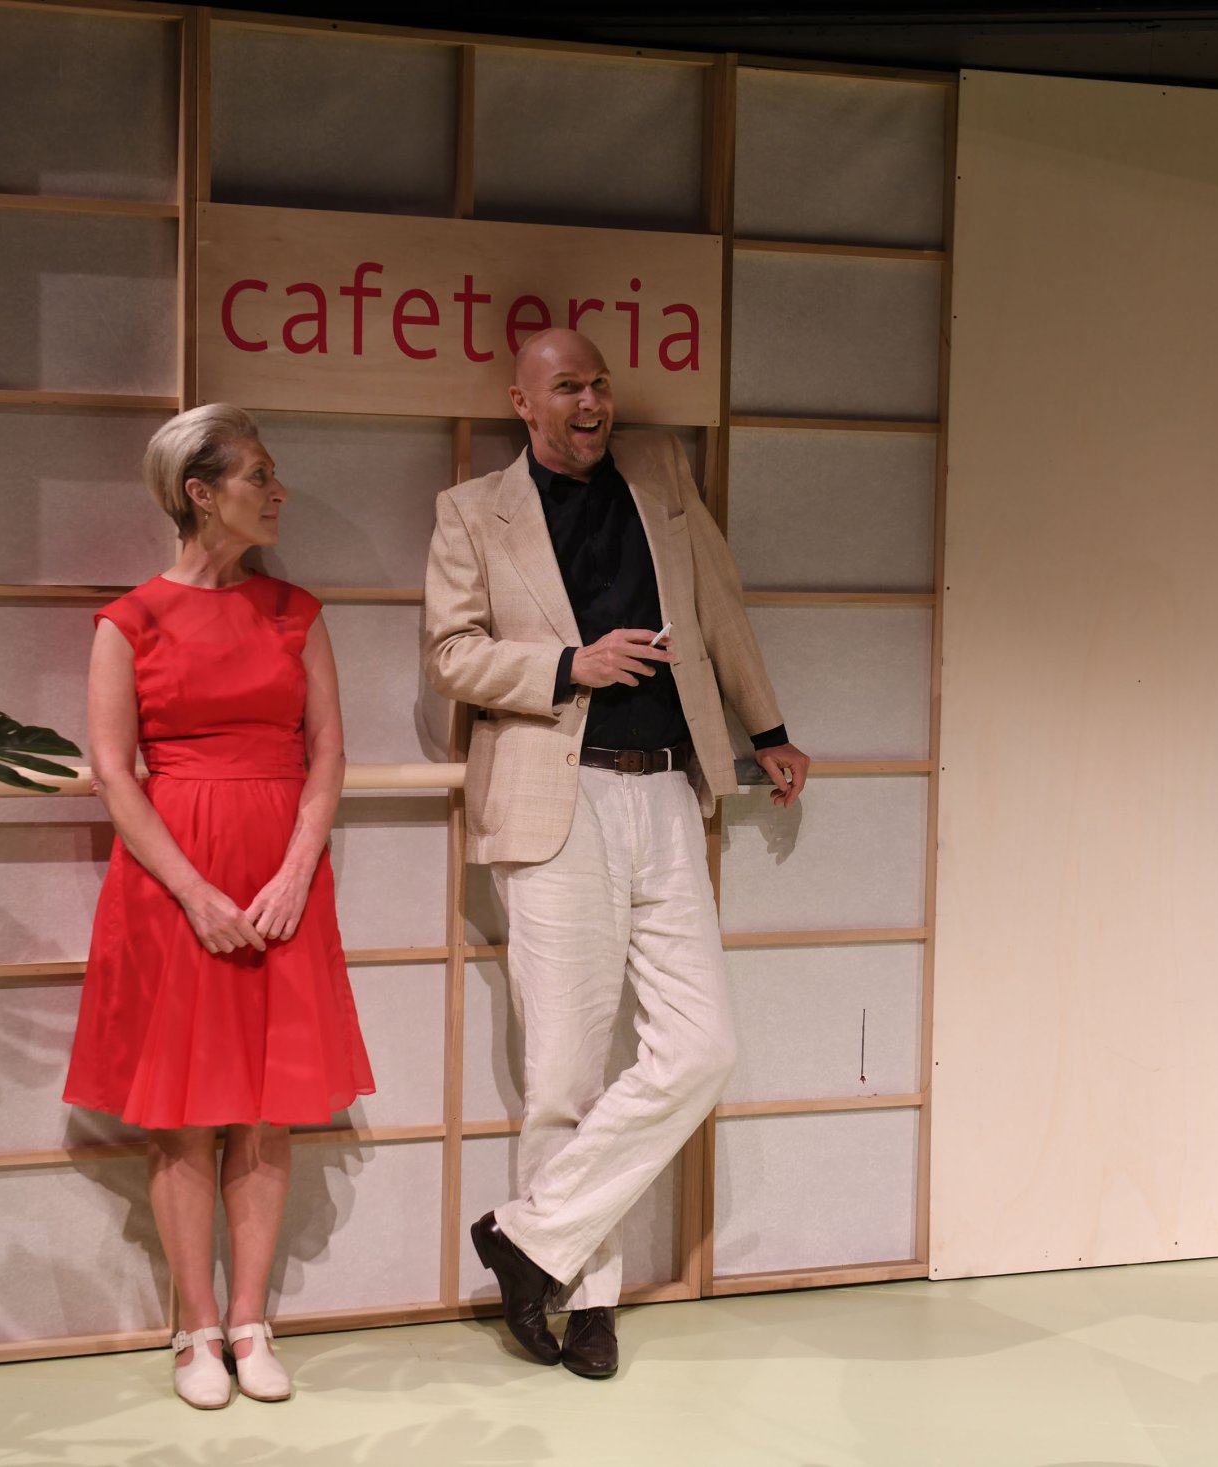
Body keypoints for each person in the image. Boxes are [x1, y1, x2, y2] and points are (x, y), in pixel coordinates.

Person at [421, 328, 811, 1379]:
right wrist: (569, 664)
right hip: (560, 797)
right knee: (562, 1069)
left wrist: (767, 728)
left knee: (702, 1047)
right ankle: (584, 1297)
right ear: (523, 401)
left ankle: (526, 1240)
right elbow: (451, 653)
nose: (591, 403)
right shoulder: (472, 511)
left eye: (599, 383)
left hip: (669, 789)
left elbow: (717, 602)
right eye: (568, 388)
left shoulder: (658, 472)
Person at [65, 403, 375, 1409]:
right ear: (200, 494)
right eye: (258, 476)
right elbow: (115, 773)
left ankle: (251, 1322)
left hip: (283, 878)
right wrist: (196, 893)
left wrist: (294, 872)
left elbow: (328, 751)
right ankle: (194, 1327)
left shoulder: (296, 611)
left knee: (267, 1111)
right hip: (173, 884)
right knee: (183, 1117)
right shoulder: (131, 621)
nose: (278, 492)